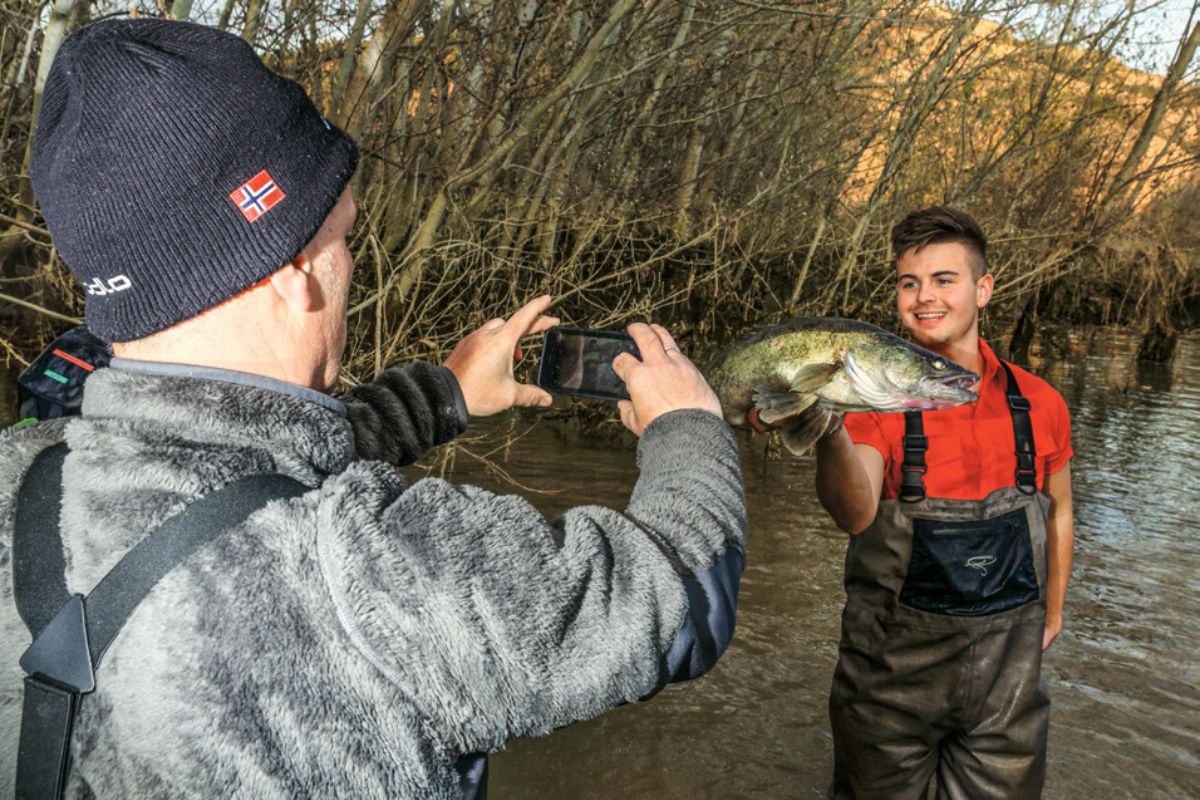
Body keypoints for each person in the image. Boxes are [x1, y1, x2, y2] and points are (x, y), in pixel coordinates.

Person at [0, 19, 746, 799]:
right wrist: (687, 425)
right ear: (296, 270)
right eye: (344, 235)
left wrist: (442, 395)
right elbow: (676, 597)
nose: (350, 261)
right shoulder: (382, 570)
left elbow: (238, 479)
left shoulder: (22, 475)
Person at [812, 207, 1074, 799]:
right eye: (909, 283)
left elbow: (1059, 509)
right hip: (886, 693)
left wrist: (1053, 612)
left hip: (1007, 695)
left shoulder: (1041, 402)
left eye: (943, 280)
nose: (923, 297)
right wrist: (829, 427)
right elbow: (853, 515)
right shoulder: (874, 404)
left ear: (983, 289)